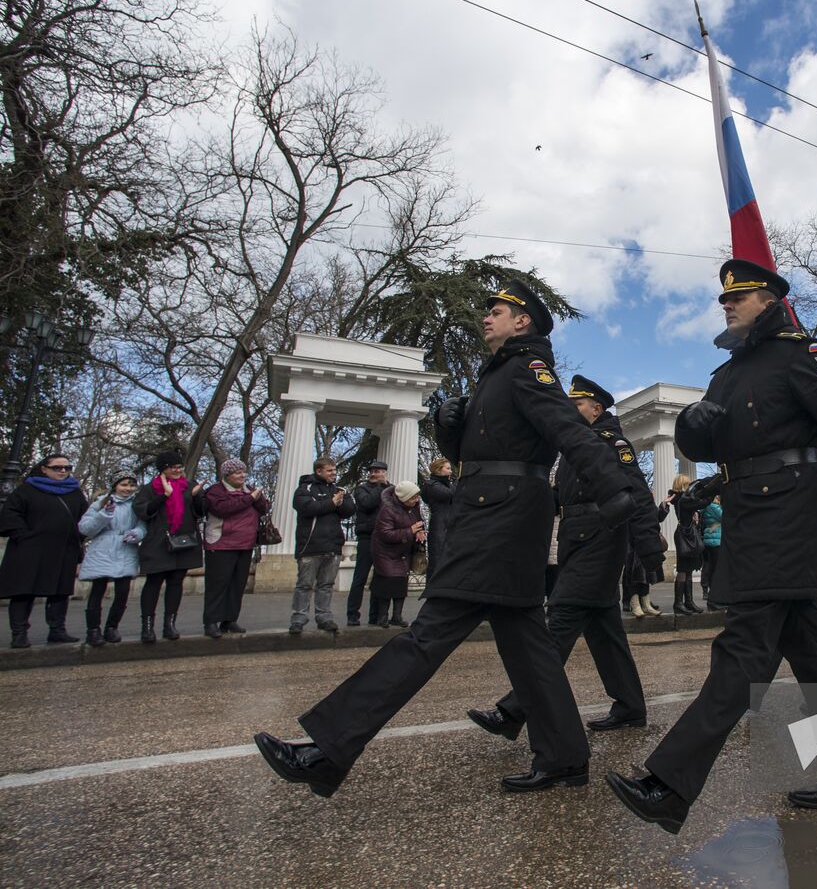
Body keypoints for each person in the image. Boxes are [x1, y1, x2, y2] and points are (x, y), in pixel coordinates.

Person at [255, 278, 650, 798]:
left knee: (428, 635)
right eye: (488, 310)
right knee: (530, 649)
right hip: (491, 515)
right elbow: (481, 449)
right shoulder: (499, 373)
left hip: (502, 522)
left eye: (498, 310)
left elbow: (568, 432)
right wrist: (448, 428)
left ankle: (328, 750)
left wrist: (616, 491)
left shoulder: (527, 369)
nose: (487, 317)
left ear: (522, 321)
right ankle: (564, 757)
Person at [606, 259, 817, 834]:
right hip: (749, 513)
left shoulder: (798, 355)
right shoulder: (728, 370)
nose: (727, 304)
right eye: (724, 298)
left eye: (740, 296)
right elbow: (707, 440)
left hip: (788, 514)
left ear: (770, 301)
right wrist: (691, 424)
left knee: (744, 648)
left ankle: (670, 783)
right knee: (813, 654)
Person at [471, 374, 665, 738]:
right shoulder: (572, 445)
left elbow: (636, 493)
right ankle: (630, 707)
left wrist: (650, 544)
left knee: (558, 623)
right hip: (577, 539)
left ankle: (515, 710)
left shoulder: (612, 442)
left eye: (577, 404)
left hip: (602, 541)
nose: (570, 409)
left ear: (597, 408)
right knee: (604, 631)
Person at [0, 454, 89, 648]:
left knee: (60, 591)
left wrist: (79, 538)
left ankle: (57, 630)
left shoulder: (74, 492)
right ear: (44, 469)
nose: (63, 471)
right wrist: (23, 535)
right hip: (29, 550)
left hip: (63, 549)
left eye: (66, 467)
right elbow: (10, 513)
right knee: (23, 591)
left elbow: (85, 519)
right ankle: (19, 633)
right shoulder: (27, 490)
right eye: (57, 467)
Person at [134, 451, 205, 643]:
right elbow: (144, 511)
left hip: (183, 542)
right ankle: (147, 627)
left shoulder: (189, 487)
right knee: (153, 583)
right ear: (163, 469)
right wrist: (165, 495)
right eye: (173, 467)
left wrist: (198, 497)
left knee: (176, 583)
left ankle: (169, 624)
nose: (177, 470)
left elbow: (200, 512)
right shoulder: (150, 489)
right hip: (158, 543)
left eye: (180, 467)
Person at [201, 458, 270, 637]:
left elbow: (264, 508)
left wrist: (258, 498)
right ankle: (211, 621)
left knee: (237, 585)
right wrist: (249, 499)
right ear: (227, 475)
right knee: (218, 584)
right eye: (238, 473)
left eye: (244, 472)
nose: (242, 476)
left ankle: (229, 619)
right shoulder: (215, 492)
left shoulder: (250, 490)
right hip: (221, 544)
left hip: (245, 544)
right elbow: (223, 509)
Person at [77, 472, 145, 646]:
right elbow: (85, 528)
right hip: (103, 548)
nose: (127, 489)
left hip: (126, 548)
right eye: (123, 485)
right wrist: (104, 515)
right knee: (97, 591)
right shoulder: (100, 502)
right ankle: (93, 630)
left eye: (131, 485)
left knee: (122, 592)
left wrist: (137, 534)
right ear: (115, 486)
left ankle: (112, 627)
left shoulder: (136, 504)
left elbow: (142, 525)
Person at [290, 457, 354, 634]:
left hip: (332, 545)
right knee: (304, 585)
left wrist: (340, 503)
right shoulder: (305, 489)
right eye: (329, 471)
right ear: (319, 471)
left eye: (334, 470)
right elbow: (307, 508)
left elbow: (349, 510)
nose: (334, 473)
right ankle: (298, 618)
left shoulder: (338, 490)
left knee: (326, 585)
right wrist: (331, 503)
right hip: (310, 546)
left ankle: (324, 616)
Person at [370, 481, 423, 628]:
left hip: (403, 552)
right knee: (387, 584)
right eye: (413, 497)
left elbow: (418, 525)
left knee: (400, 584)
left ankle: (397, 616)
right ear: (403, 497)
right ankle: (382, 617)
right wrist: (410, 531)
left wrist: (419, 533)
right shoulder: (387, 510)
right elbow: (385, 534)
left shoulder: (413, 509)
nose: (416, 500)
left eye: (417, 497)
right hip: (385, 553)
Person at [346, 460, 390, 626]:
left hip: (384, 538)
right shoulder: (361, 489)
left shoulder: (391, 489)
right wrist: (379, 487)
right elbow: (367, 503)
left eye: (377, 471)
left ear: (385, 472)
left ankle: (376, 615)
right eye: (371, 471)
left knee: (381, 578)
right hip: (367, 536)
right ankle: (352, 614)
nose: (373, 473)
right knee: (360, 578)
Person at [658, 474, 703, 614]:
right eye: (688, 484)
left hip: (686, 533)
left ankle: (688, 602)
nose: (690, 486)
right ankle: (679, 603)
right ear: (683, 484)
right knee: (683, 569)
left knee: (688, 569)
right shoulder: (682, 499)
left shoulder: (681, 498)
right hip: (684, 534)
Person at [420, 457, 455, 586]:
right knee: (436, 560)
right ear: (438, 470)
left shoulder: (446, 485)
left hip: (449, 524)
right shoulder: (431, 485)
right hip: (439, 526)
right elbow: (450, 494)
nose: (451, 471)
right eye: (448, 468)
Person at [700, 494, 722, 610]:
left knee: (710, 567)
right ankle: (714, 598)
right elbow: (724, 516)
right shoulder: (712, 506)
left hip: (711, 540)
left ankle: (711, 595)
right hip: (715, 541)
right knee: (715, 568)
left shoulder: (707, 506)